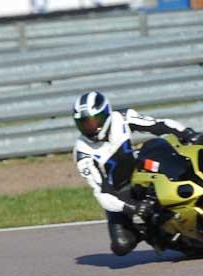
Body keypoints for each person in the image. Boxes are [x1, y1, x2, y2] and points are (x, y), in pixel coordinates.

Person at [72, 91, 202, 256]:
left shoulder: (122, 118)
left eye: (92, 121)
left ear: (106, 114)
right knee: (121, 245)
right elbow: (102, 193)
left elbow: (158, 125)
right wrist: (133, 207)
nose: (89, 128)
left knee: (173, 157)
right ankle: (156, 234)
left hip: (141, 173)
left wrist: (187, 134)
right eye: (83, 124)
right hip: (118, 193)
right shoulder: (83, 152)